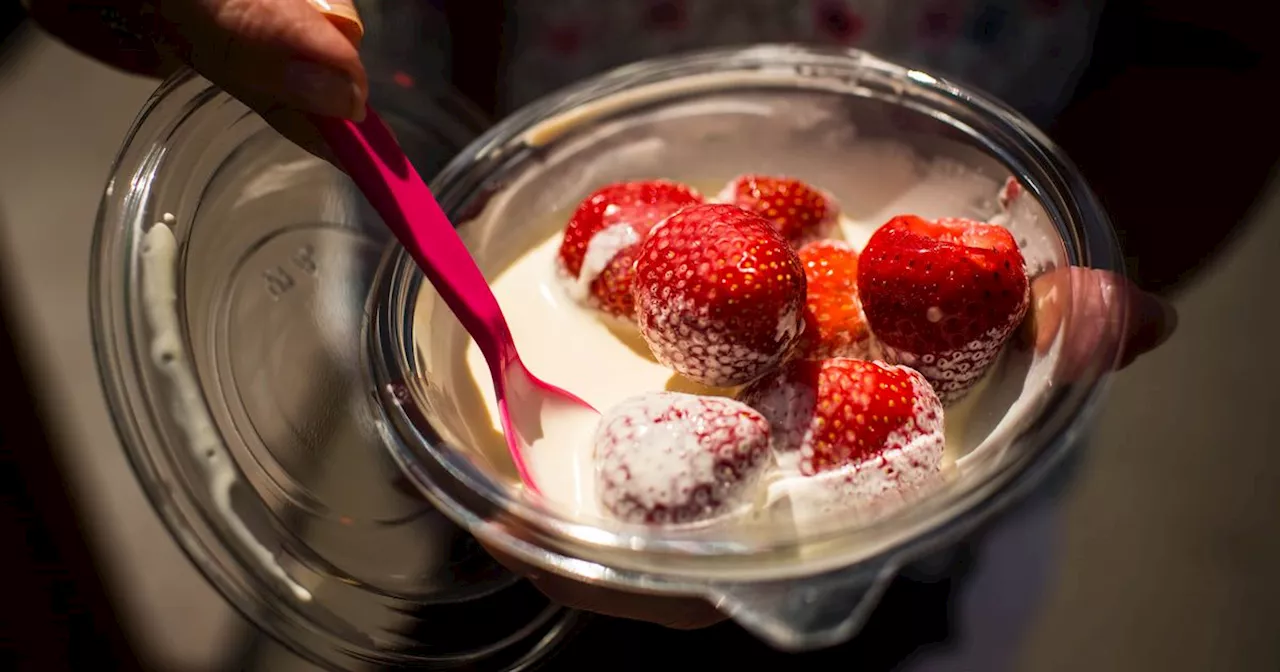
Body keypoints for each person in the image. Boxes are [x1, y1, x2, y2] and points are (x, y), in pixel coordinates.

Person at [26, 0, 1274, 667]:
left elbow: (1227, 54)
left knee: (901, 616)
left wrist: (1104, 231)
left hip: (975, 134)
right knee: (463, 521)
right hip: (468, 150)